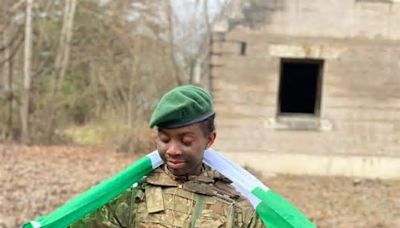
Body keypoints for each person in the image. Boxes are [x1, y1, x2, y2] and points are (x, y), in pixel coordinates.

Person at [70, 85, 265, 228]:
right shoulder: (133, 198)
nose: (173, 150)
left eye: (186, 141)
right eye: (164, 139)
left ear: (209, 139)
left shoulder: (236, 208)